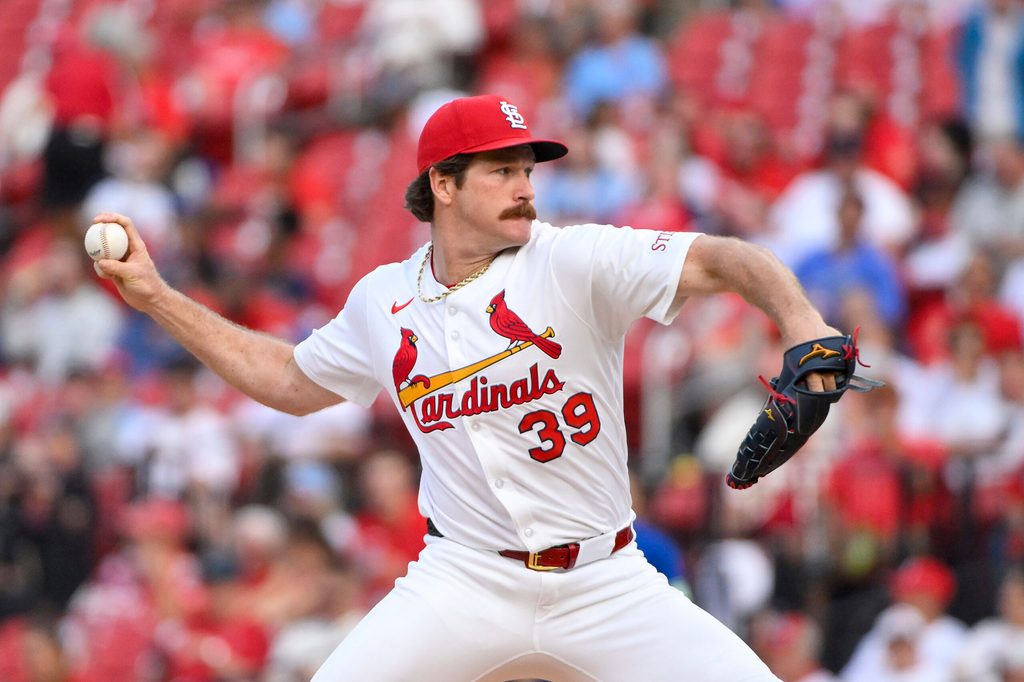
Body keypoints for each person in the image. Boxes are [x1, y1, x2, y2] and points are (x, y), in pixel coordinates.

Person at [92, 93, 846, 681]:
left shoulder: (572, 259)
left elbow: (721, 258)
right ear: (442, 185)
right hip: (465, 582)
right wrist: (157, 295)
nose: (525, 187)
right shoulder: (383, 299)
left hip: (606, 581)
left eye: (527, 169)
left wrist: (802, 321)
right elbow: (289, 381)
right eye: (502, 171)